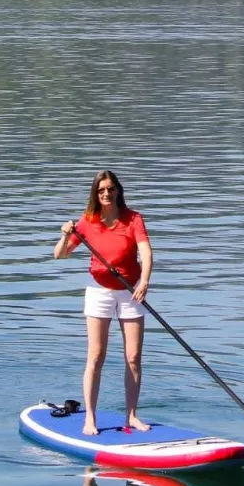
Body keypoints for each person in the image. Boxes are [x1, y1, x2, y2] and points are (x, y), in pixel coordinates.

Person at [54, 170, 152, 435]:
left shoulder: (133, 219)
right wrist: (65, 234)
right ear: (95, 194)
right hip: (99, 292)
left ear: (118, 190)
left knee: (133, 357)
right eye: (101, 190)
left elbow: (146, 252)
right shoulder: (87, 222)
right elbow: (60, 255)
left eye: (110, 188)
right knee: (96, 356)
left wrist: (144, 282)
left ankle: (131, 415)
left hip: (131, 292)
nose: (106, 193)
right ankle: (90, 419)